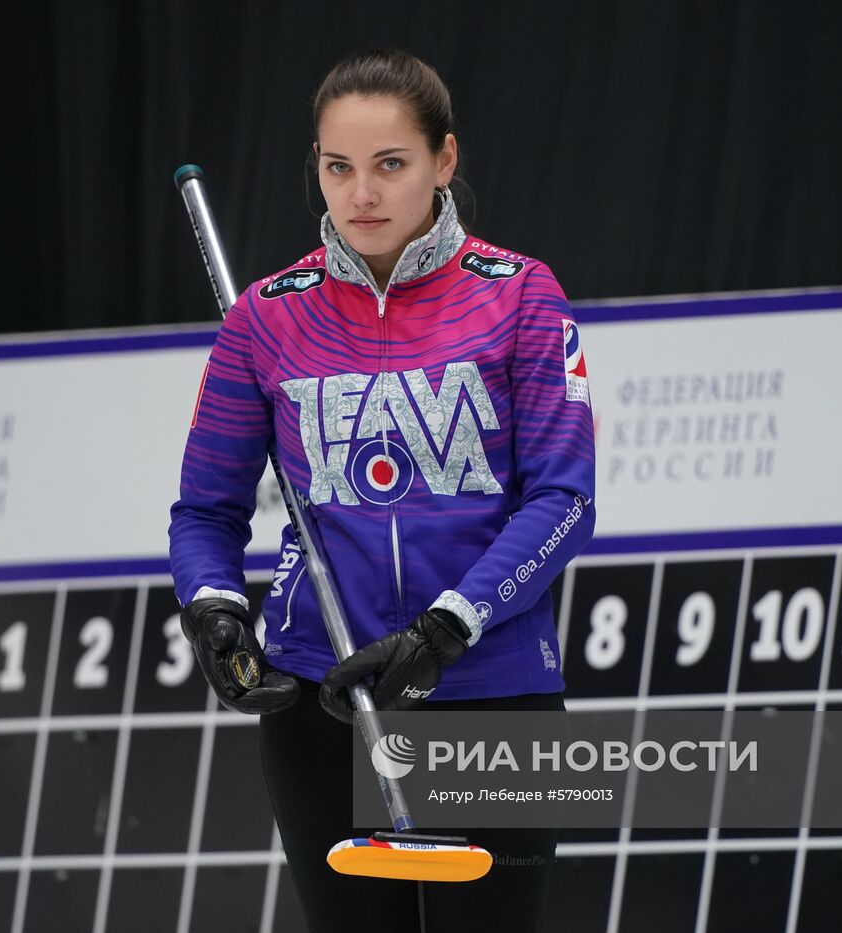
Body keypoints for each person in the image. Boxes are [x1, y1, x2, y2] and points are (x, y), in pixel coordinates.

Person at [169, 48, 596, 933]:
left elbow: (563, 501)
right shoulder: (265, 318)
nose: (360, 194)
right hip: (323, 699)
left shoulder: (521, 298)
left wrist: (445, 630)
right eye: (339, 168)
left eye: (389, 164)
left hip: (492, 693)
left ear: (444, 162)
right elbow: (207, 510)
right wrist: (213, 609)